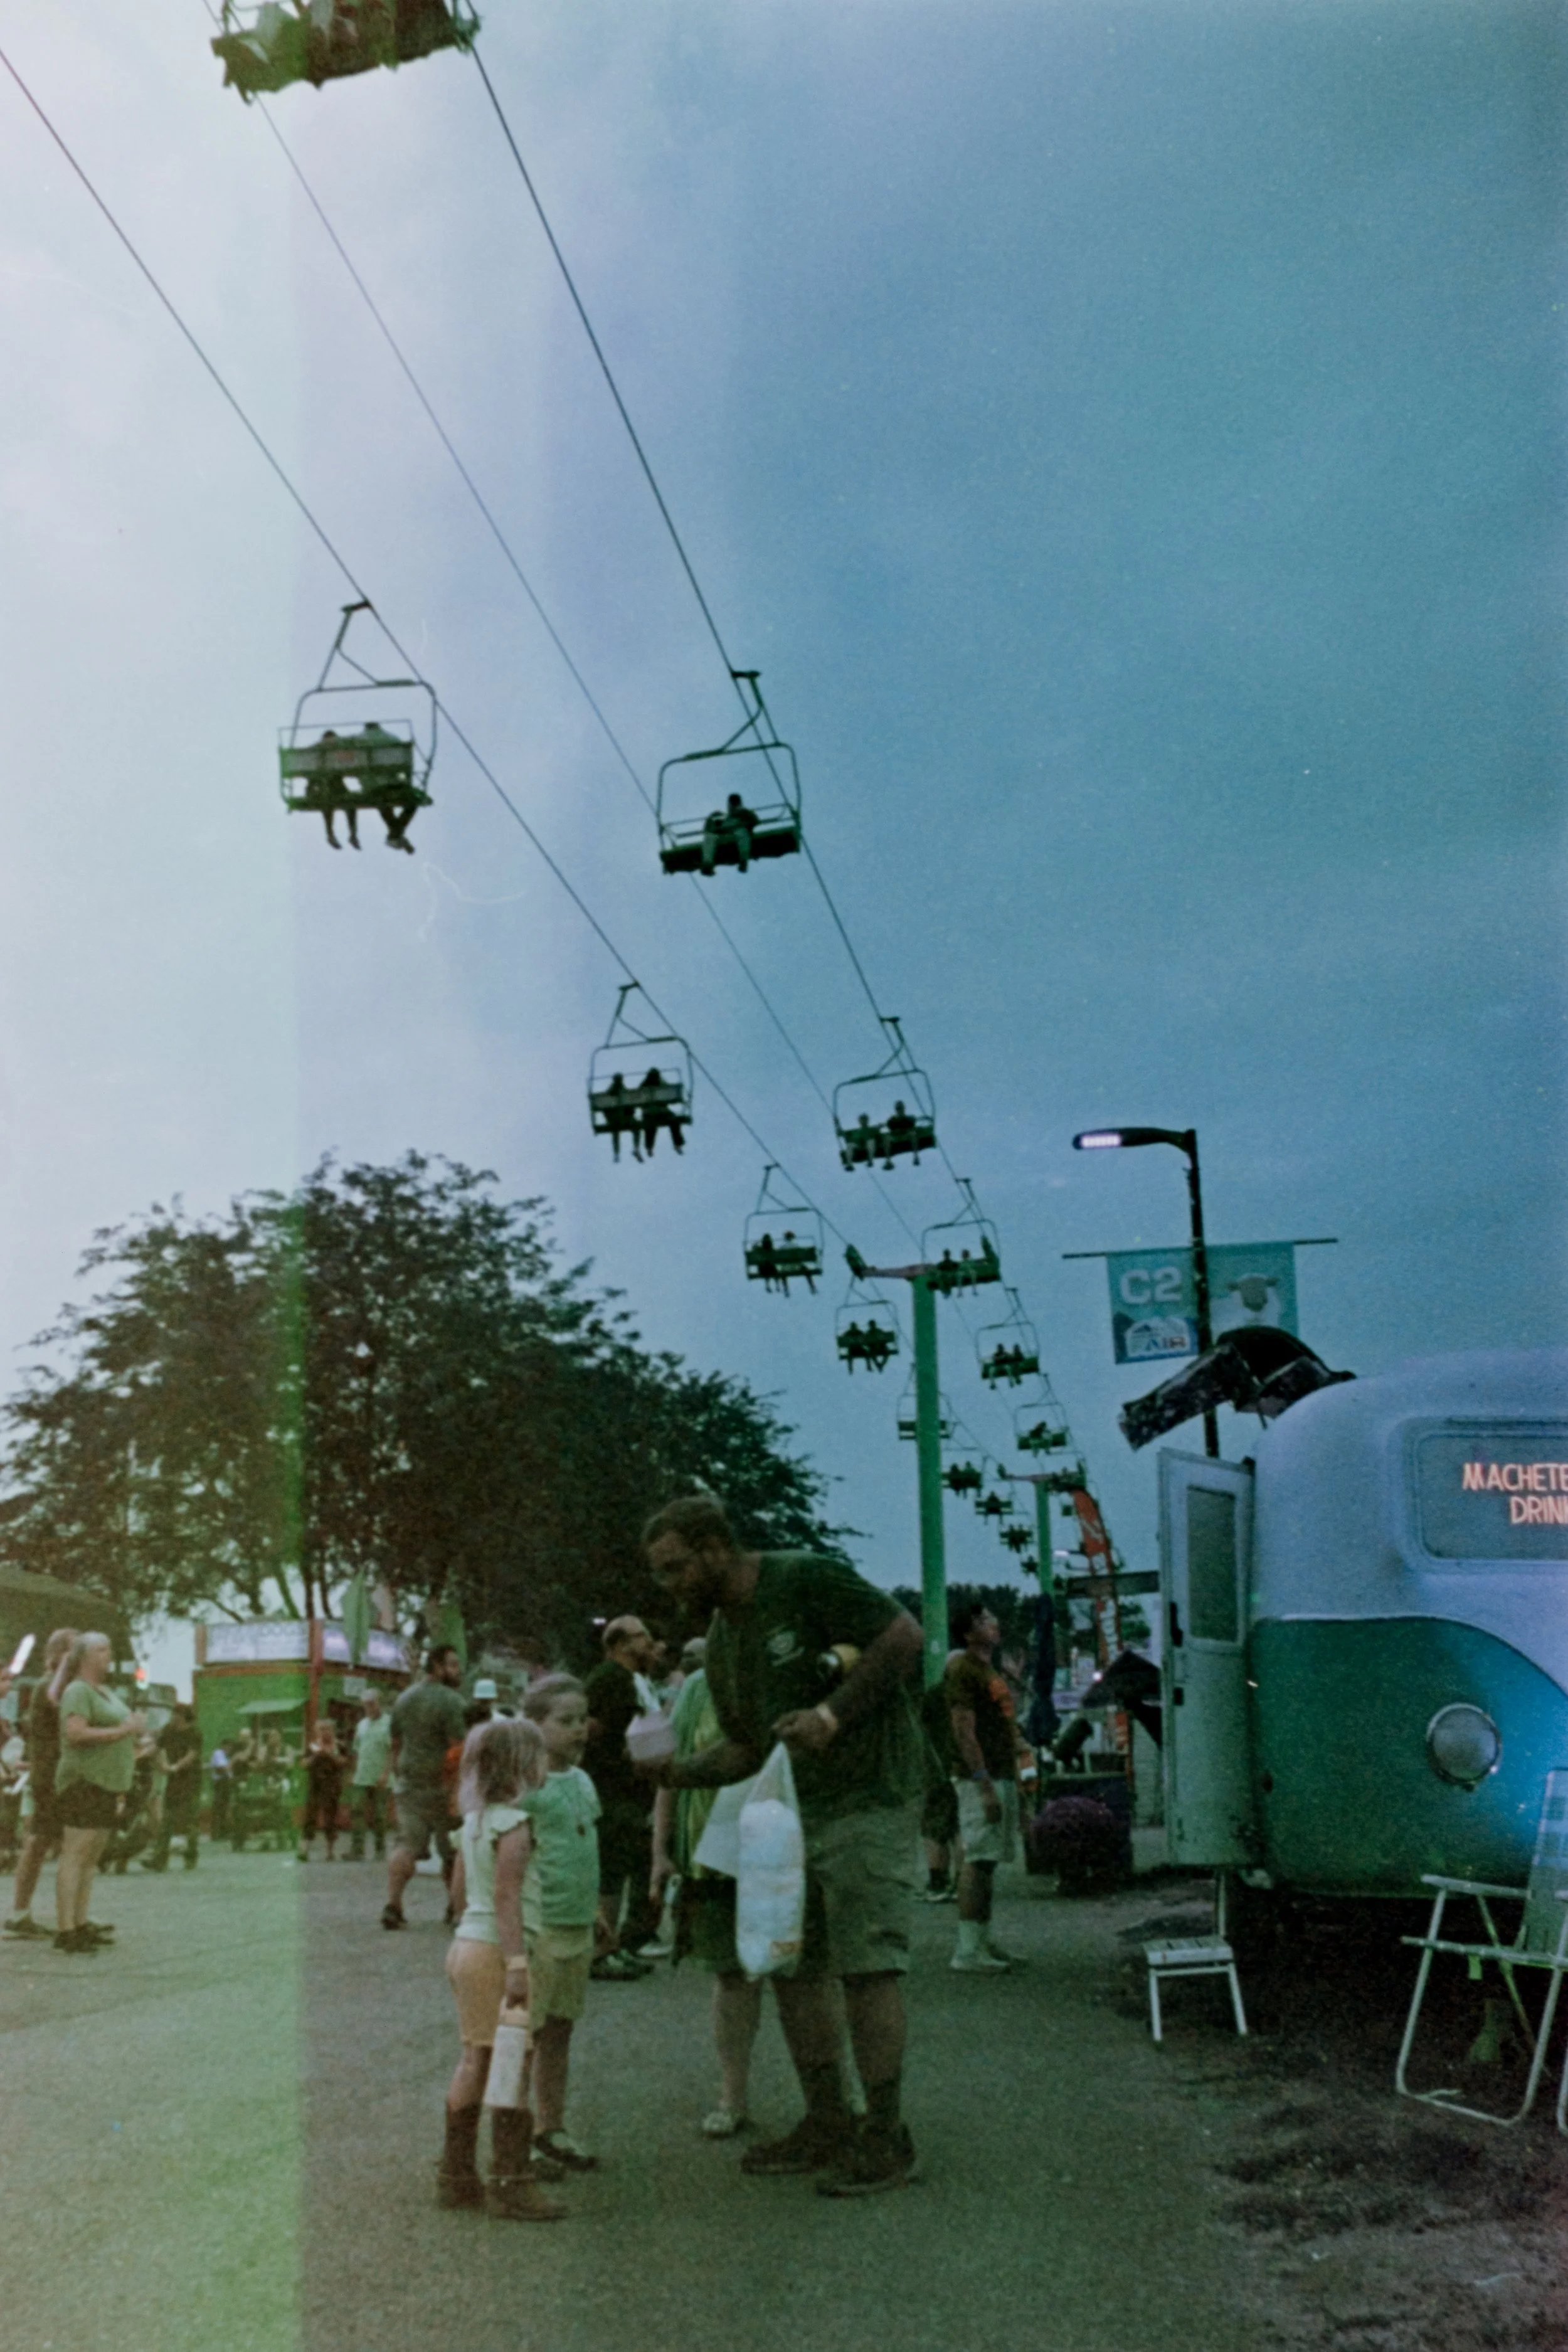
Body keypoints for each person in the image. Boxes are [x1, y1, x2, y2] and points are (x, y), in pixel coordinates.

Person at [643, 1492, 926, 2197]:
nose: (669, 1584)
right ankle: (828, 2118)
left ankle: (887, 2134)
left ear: (714, 1547)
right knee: (793, 1964)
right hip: (796, 1810)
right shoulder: (726, 1635)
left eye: (676, 1567)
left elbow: (903, 1636)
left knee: (866, 1964)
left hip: (868, 1795)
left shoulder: (803, 1577)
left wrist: (832, 1714)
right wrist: (674, 1773)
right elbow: (745, 1744)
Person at [438, 1714, 564, 2223]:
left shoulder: (472, 1825)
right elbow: (508, 1896)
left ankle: (457, 2174)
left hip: (467, 1946)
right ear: (522, 1766)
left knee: (475, 2058)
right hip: (499, 1952)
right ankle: (512, 2180)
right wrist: (517, 1963)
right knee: (515, 2060)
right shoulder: (514, 1825)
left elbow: (460, 1894)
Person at [518, 1675, 603, 2176]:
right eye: (564, 1721)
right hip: (539, 1928)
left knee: (560, 2032)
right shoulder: (526, 1787)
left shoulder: (582, 1780)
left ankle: (551, 2126)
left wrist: (595, 1909)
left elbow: (582, 1845)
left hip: (576, 1925)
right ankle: (515, 2134)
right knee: (523, 2036)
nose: (578, 1730)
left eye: (581, 1720)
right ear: (535, 1726)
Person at [54, 1633, 144, 1954]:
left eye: (109, 1647)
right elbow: (75, 1733)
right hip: (84, 1783)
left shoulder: (106, 1692)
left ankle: (80, 1922)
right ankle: (66, 1929)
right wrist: (123, 1730)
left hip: (108, 1784)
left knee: (91, 1859)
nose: (108, 1654)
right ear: (83, 1657)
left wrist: (135, 1734)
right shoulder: (77, 1690)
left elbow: (119, 1731)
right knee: (76, 1855)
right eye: (101, 1649)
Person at [582, 1618, 661, 1979]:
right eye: (642, 1636)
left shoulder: (636, 1681)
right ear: (621, 1643)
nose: (650, 1642)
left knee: (625, 1868)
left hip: (632, 1792)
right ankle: (600, 1952)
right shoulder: (609, 1679)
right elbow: (591, 1730)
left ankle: (615, 1945)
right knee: (611, 1873)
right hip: (612, 1792)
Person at [944, 1603, 1020, 1971]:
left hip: (999, 1772)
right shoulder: (963, 1670)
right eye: (982, 1621)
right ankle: (967, 1949)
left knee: (988, 1861)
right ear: (967, 1633)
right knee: (977, 1859)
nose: (993, 1624)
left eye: (992, 1617)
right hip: (982, 1776)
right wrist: (983, 1784)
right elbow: (964, 1729)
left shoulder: (988, 1669)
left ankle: (981, 1940)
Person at [383, 1645, 465, 1929]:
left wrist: (398, 1776)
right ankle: (456, 1909)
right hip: (443, 1787)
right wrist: (458, 1790)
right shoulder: (452, 1701)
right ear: (438, 1667)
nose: (458, 1671)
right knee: (453, 1851)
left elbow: (394, 1745)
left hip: (408, 1785)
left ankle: (393, 1905)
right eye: (453, 1665)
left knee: (406, 1845)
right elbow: (458, 1749)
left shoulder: (404, 1699)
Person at [4, 1628, 77, 1939]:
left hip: (50, 1774)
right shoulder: (51, 1686)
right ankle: (26, 1914)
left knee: (44, 1843)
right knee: (39, 1843)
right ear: (61, 1653)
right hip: (50, 1776)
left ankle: (60, 1915)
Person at [145, 1703, 201, 1872]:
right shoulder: (168, 1731)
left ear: (184, 1716)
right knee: (167, 1820)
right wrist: (141, 1756)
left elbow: (192, 1755)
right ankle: (160, 1860)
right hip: (173, 1781)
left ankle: (191, 1857)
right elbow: (156, 1748)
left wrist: (175, 1767)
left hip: (191, 1780)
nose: (173, 1716)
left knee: (190, 1821)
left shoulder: (194, 1733)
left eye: (176, 1714)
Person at [349, 1692, 392, 1859]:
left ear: (379, 1703)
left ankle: (380, 1849)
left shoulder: (388, 1723)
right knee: (357, 1810)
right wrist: (353, 1773)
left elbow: (392, 1751)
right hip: (362, 1776)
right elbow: (357, 1751)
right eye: (366, 1704)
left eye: (372, 1703)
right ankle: (357, 1850)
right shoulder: (362, 1725)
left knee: (380, 1815)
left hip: (381, 1776)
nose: (369, 1708)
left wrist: (386, 1773)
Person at [299, 1720, 345, 1862]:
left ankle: (330, 1852)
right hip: (315, 1786)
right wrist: (316, 1756)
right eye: (321, 1730)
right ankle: (304, 1850)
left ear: (333, 1731)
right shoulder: (312, 1747)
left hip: (332, 1786)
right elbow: (303, 1764)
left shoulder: (339, 1746)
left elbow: (344, 1762)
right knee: (310, 1817)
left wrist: (330, 1755)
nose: (325, 1732)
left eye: (327, 1729)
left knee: (330, 1818)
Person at [699, 792, 759, 876]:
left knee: (742, 833)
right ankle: (708, 863)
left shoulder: (744, 814)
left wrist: (744, 815)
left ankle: (743, 860)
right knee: (709, 837)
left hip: (737, 835)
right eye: (732, 803)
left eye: (736, 803)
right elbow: (708, 830)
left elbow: (755, 821)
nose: (733, 806)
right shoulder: (721, 817)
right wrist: (711, 818)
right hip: (724, 836)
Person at [638, 1069, 686, 1158]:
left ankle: (650, 1147)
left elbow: (638, 1099)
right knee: (668, 1121)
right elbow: (670, 1093)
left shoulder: (646, 1085)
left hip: (654, 1111)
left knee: (652, 1126)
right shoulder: (657, 1083)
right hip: (655, 1111)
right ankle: (677, 1144)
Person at [599, 1073, 643, 1162]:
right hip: (617, 1119)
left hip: (620, 1119)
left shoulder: (619, 1091)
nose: (620, 1081)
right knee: (618, 1130)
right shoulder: (613, 1093)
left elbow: (630, 1104)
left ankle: (626, 1151)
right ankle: (622, 1151)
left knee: (623, 1130)